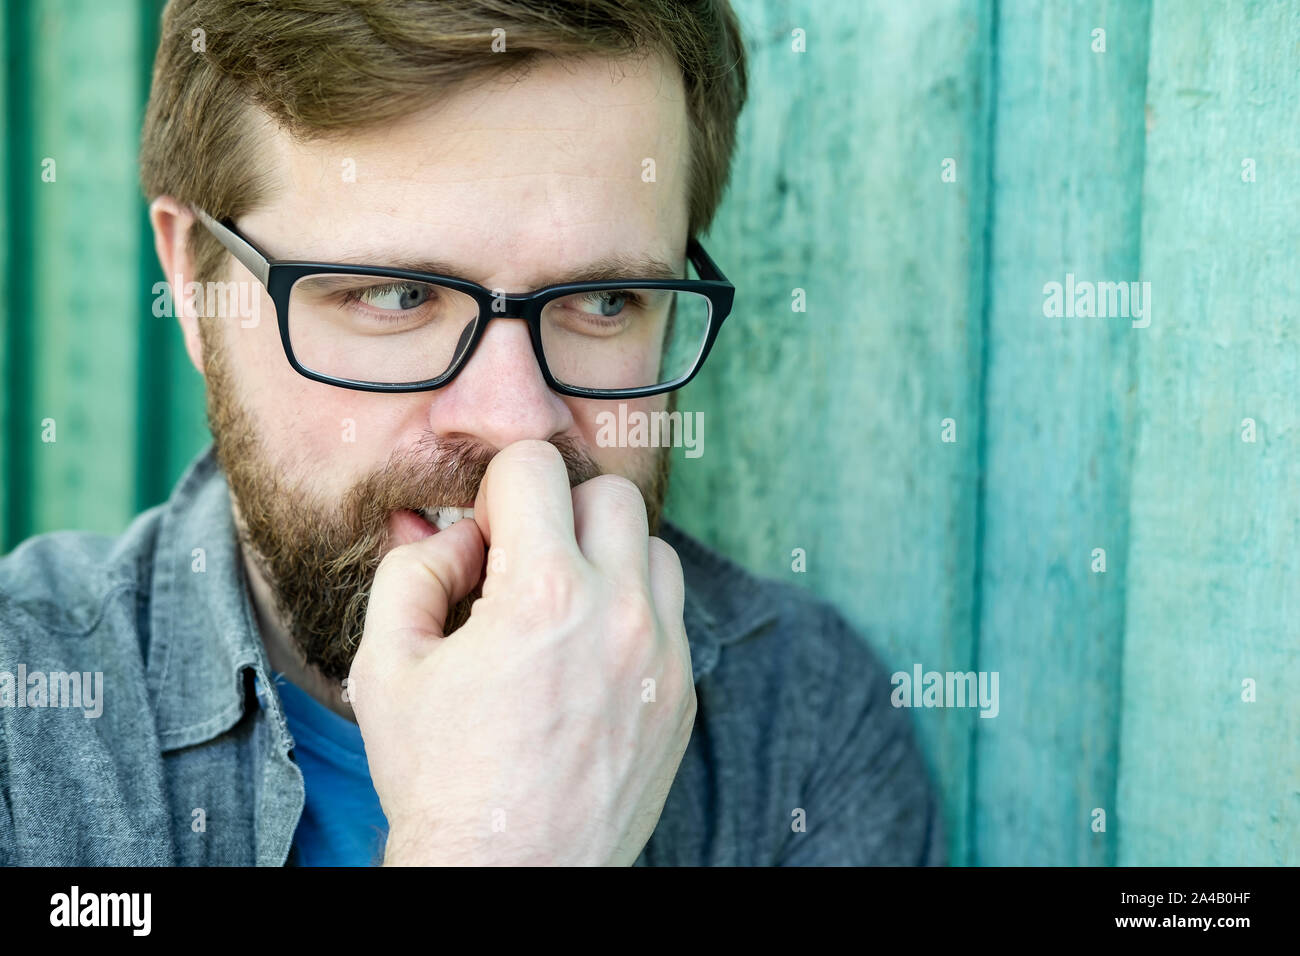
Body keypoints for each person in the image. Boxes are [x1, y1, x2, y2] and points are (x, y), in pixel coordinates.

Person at [0, 0, 943, 866]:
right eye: (396, 295)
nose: (518, 425)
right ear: (196, 292)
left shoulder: (802, 737)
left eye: (605, 300)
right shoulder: (24, 720)